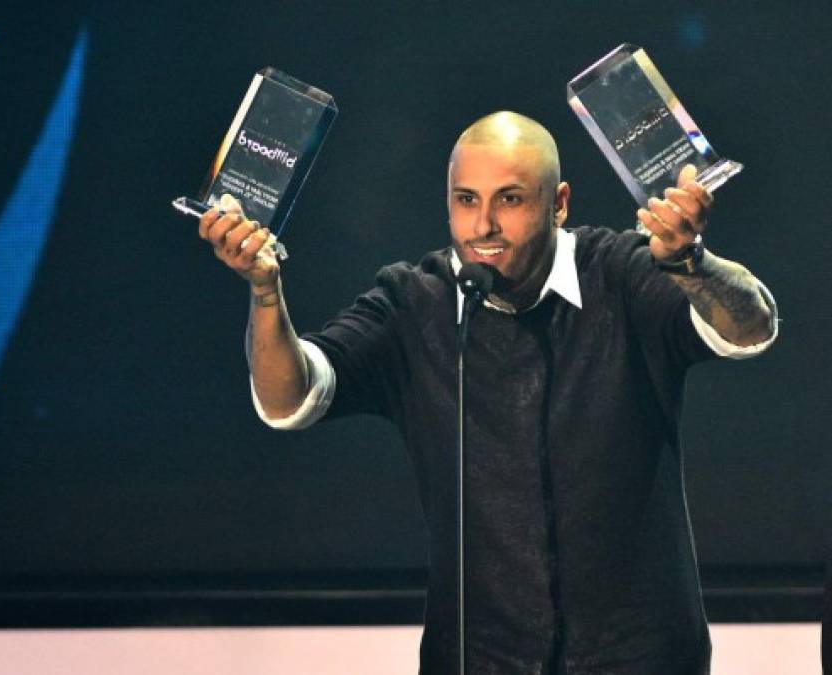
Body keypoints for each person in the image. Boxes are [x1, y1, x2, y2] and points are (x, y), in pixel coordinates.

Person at [198, 112, 777, 674]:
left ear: (560, 203)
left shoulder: (621, 272)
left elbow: (749, 327)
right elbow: (288, 399)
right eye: (467, 199)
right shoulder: (413, 302)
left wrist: (690, 263)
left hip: (642, 657)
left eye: (511, 199)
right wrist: (266, 296)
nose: (483, 227)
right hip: (478, 660)